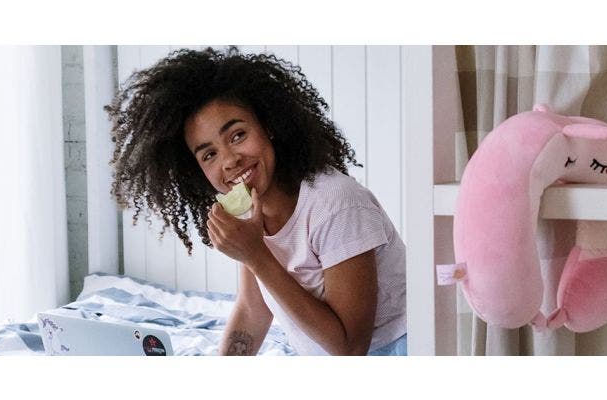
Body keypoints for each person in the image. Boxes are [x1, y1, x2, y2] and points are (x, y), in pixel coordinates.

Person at [106, 47, 406, 356]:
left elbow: (351, 349)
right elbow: (253, 310)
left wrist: (256, 255)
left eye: (237, 135)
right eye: (209, 154)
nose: (230, 160)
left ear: (270, 127)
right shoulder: (253, 209)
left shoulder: (336, 204)